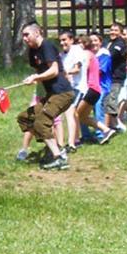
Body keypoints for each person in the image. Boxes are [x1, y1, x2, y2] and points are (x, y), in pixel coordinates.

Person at [16, 21, 76, 170]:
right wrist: (34, 80)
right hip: (50, 93)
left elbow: (54, 71)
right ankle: (51, 149)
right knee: (25, 117)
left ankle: (59, 157)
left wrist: (36, 78)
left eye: (26, 35)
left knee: (41, 122)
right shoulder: (32, 51)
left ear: (37, 33)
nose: (24, 38)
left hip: (62, 93)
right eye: (22, 35)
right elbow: (40, 71)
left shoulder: (47, 46)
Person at [58, 30, 89, 152]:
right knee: (71, 114)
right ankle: (75, 140)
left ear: (71, 40)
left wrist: (65, 73)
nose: (62, 42)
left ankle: (71, 144)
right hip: (67, 87)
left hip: (77, 86)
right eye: (60, 40)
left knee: (69, 112)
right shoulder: (62, 55)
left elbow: (76, 69)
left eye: (64, 40)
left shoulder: (77, 51)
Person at [103, 23, 127, 133]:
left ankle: (114, 124)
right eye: (111, 30)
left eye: (115, 30)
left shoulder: (120, 43)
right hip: (108, 76)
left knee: (111, 100)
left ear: (120, 32)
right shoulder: (108, 43)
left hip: (116, 77)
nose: (112, 32)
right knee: (106, 100)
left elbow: (111, 55)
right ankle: (109, 124)